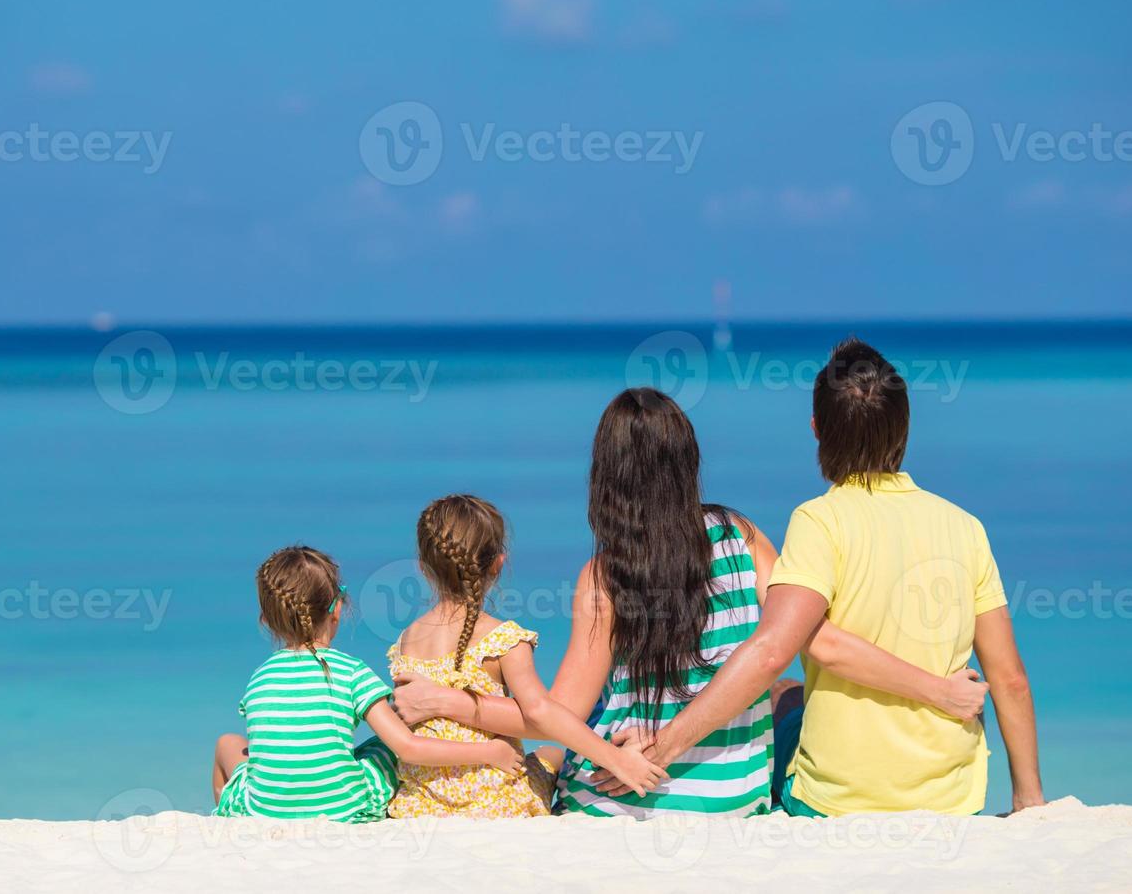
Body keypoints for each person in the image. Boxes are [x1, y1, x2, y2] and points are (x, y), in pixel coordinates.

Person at [394, 388, 984, 817]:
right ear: (687, 463)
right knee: (791, 695)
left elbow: (557, 712)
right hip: (729, 801)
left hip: (610, 796)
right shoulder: (741, 536)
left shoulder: (603, 575)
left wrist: (453, 702)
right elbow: (812, 639)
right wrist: (938, 686)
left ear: (607, 477)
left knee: (595, 707)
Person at [596, 341, 1044, 817]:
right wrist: (1028, 800)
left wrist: (663, 745)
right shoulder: (965, 526)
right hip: (952, 799)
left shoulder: (820, 521)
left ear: (816, 430)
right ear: (905, 428)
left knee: (775, 691)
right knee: (786, 691)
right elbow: (1010, 680)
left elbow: (773, 651)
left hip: (835, 797)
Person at [388, 495, 667, 818]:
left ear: (424, 567)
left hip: (422, 803)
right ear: (498, 563)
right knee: (554, 752)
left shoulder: (405, 641)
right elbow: (539, 711)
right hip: (494, 800)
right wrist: (615, 759)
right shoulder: (504, 639)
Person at [211, 545, 524, 821]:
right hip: (342, 806)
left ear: (266, 620)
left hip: (265, 810)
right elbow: (408, 748)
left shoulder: (259, 677)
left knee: (227, 743)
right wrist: (489, 752)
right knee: (385, 744)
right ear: (336, 609)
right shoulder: (351, 672)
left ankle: (229, 823)